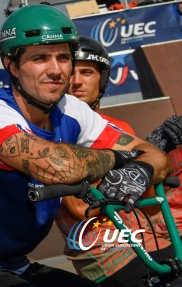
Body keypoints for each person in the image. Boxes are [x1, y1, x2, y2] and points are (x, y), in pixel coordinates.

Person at [0, 5, 168, 286]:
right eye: (41, 58)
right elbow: (59, 168)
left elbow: (152, 153)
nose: (56, 70)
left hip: (16, 265)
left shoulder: (71, 109)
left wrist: (140, 169)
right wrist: (121, 159)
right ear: (12, 65)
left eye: (63, 57)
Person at [55, 37, 180, 285]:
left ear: (102, 79)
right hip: (100, 249)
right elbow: (82, 210)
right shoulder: (54, 131)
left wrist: (157, 156)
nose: (76, 81)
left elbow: (151, 206)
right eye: (71, 72)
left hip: (144, 238)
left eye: (87, 72)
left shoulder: (119, 128)